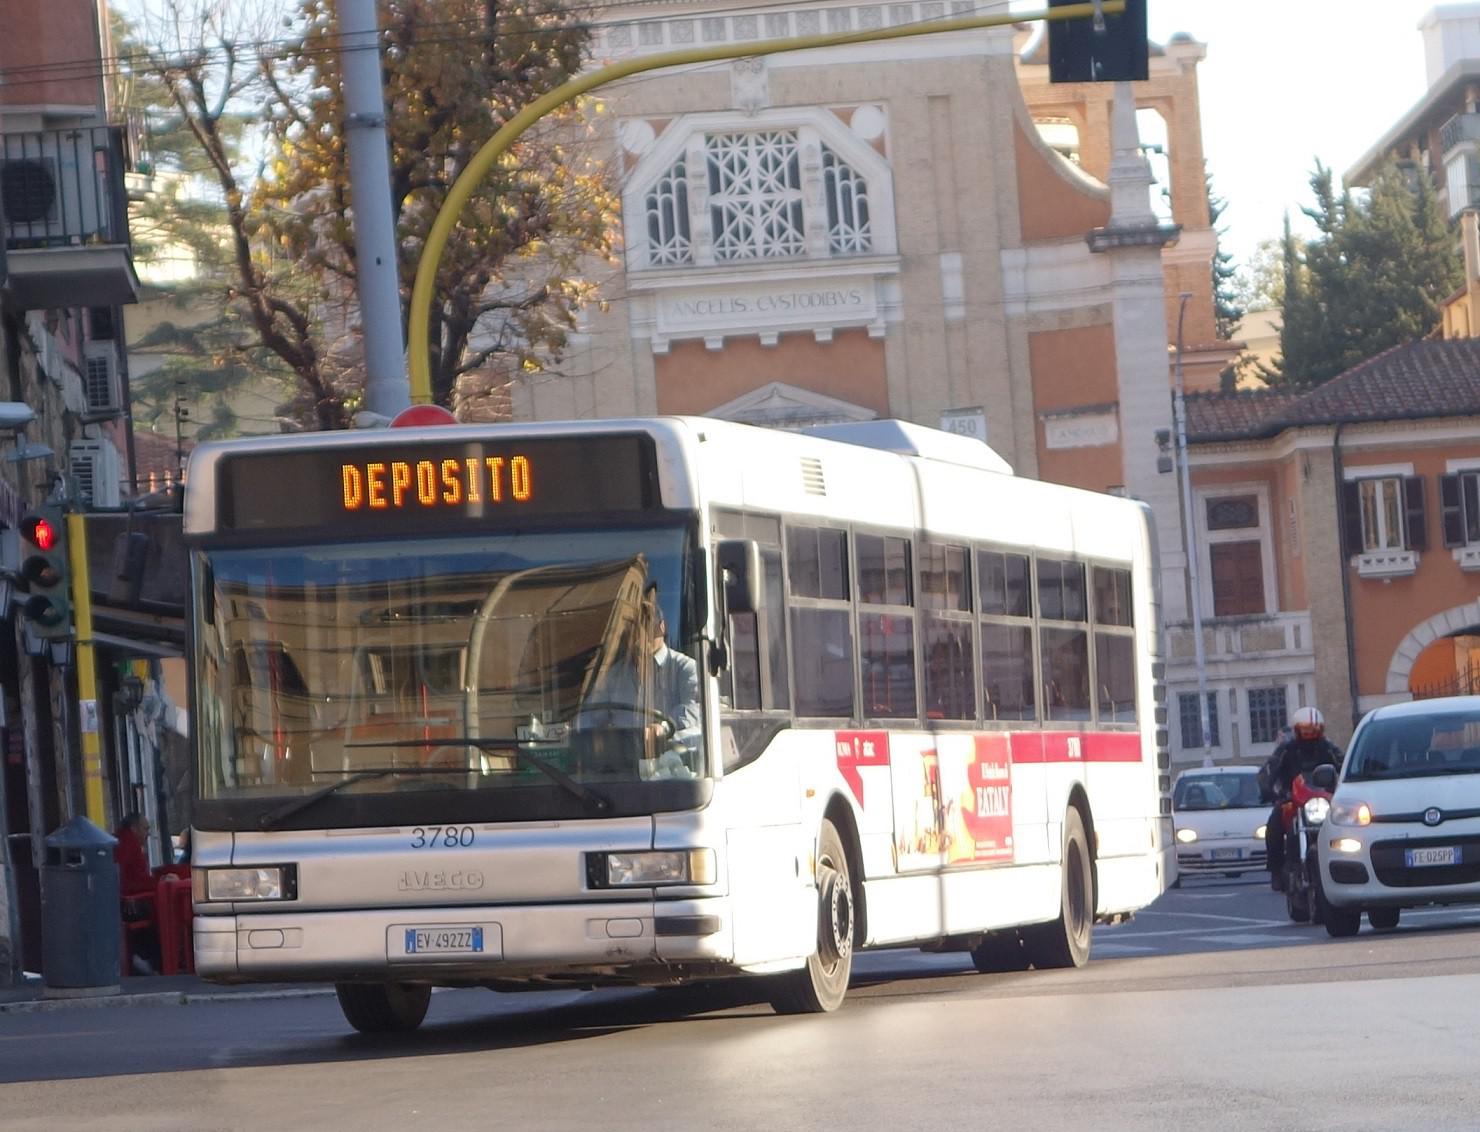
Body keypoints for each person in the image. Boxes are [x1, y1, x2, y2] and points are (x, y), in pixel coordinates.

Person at [1262, 708, 1343, 891]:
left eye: (1313, 730)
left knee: (1347, 823)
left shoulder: (1328, 748)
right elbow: (1270, 769)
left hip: (1323, 800)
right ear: (1296, 730)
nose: (1309, 734)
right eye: (1305, 730)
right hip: (1293, 799)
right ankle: (1276, 870)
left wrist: (1346, 786)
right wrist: (1269, 789)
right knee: (1273, 826)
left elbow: (1343, 764)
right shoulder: (1287, 749)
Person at [114, 812, 160, 974]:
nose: (148, 834)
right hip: (130, 903)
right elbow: (126, 879)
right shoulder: (128, 844)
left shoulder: (122, 841)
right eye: (145, 829)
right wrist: (159, 882)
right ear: (134, 829)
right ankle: (147, 958)